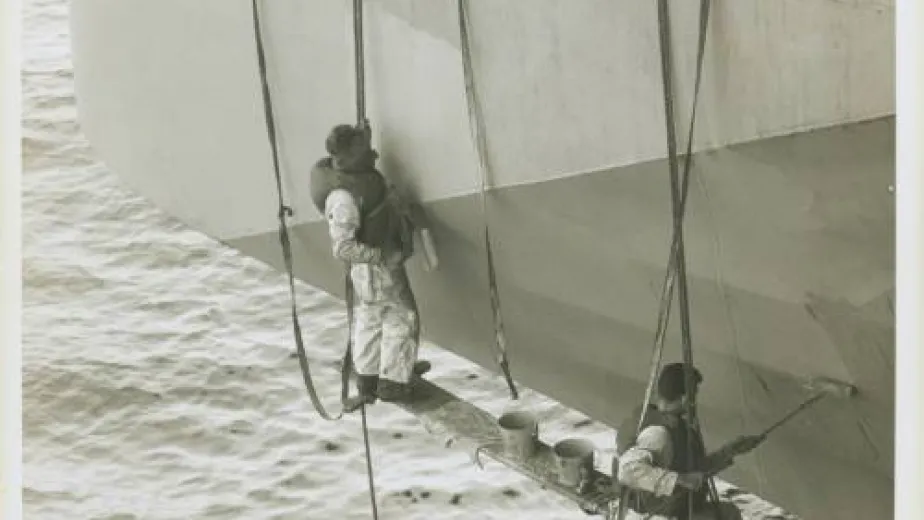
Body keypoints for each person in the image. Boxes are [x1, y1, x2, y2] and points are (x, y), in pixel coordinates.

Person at [309, 121, 425, 412]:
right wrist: (383, 257)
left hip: (366, 270)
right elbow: (343, 247)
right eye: (361, 147)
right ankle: (395, 382)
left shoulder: (349, 176)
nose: (369, 152)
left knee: (370, 319)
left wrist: (364, 135)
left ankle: (368, 382)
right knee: (402, 316)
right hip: (376, 266)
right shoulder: (344, 199)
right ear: (346, 156)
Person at [612, 363, 762, 520]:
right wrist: (681, 480)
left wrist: (731, 451)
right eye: (694, 394)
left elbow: (695, 471)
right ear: (685, 398)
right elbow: (627, 470)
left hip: (677, 511)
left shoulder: (674, 427)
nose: (694, 401)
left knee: (728, 513)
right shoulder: (659, 434)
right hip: (660, 515)